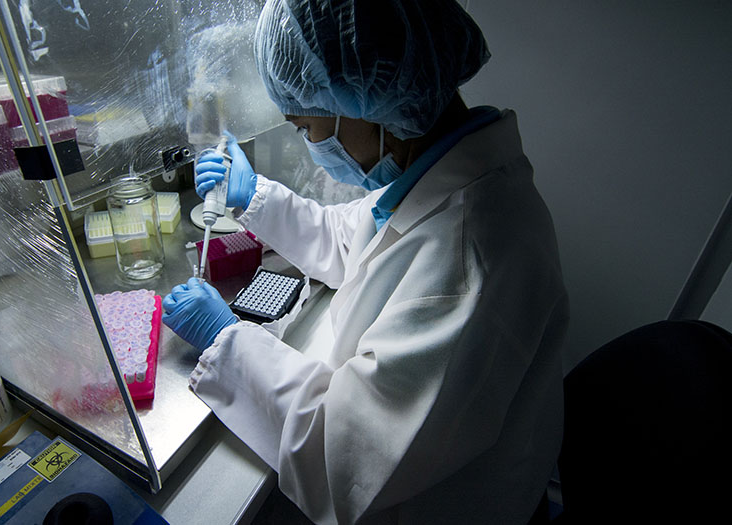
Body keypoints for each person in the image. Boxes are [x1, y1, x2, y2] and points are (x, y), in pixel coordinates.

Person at [162, 0, 568, 523]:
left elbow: (346, 457)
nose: (311, 144)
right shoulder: (440, 175)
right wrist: (255, 196)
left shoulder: (469, 260)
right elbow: (352, 240)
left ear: (366, 100)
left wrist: (228, 339)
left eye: (309, 128)